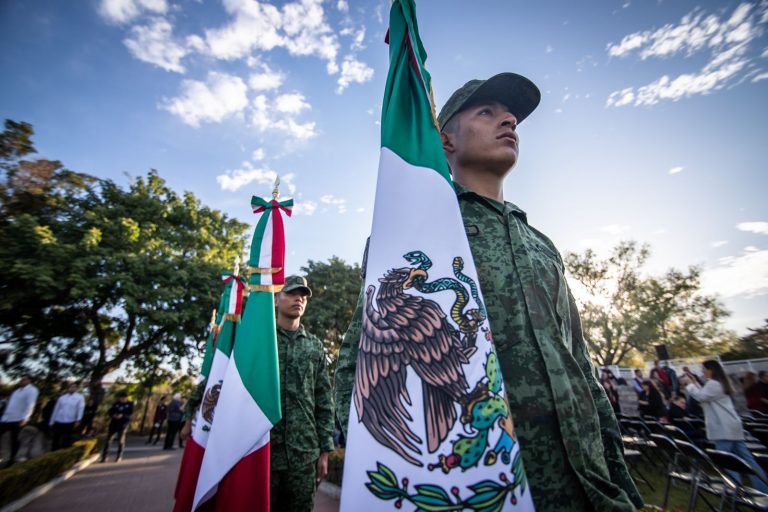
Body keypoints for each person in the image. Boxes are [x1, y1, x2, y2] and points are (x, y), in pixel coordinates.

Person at [335, 73, 643, 511]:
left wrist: (618, 480)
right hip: (483, 480)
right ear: (446, 142)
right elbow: (361, 351)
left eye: (511, 116)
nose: (509, 121)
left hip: (582, 483)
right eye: (486, 112)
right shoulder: (415, 230)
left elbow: (583, 368)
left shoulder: (541, 244)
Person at [271, 275, 334, 512]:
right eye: (292, 293)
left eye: (304, 296)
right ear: (277, 299)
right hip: (264, 451)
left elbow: (323, 400)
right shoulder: (263, 341)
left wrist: (325, 451)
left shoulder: (315, 346)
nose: (299, 299)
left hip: (304, 455)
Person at [681, 360, 768, 492]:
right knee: (747, 459)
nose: (702, 371)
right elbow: (706, 394)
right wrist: (694, 382)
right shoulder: (718, 383)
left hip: (723, 428)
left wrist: (689, 385)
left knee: (726, 461)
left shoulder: (714, 384)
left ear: (711, 370)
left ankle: (734, 489)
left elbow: (701, 397)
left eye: (704, 369)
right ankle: (763, 488)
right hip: (731, 426)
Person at [0, 374, 39, 467]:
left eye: (24, 379)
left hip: (18, 419)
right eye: (21, 379)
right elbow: (10, 404)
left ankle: (12, 460)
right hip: (7, 418)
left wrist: (26, 418)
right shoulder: (17, 391)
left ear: (29, 381)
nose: (22, 381)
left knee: (15, 439)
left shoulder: (32, 390)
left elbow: (31, 405)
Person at [49, 382, 85, 450]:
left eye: (74, 387)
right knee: (56, 438)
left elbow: (80, 409)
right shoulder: (62, 397)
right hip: (59, 419)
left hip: (70, 420)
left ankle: (64, 451)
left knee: (66, 438)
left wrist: (78, 419)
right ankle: (54, 451)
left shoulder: (79, 397)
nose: (72, 388)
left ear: (76, 388)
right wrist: (51, 421)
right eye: (71, 387)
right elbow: (56, 409)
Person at [100, 391, 134, 463]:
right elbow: (110, 412)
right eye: (121, 398)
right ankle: (104, 457)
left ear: (126, 398)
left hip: (123, 424)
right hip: (114, 423)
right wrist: (113, 415)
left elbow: (130, 414)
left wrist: (123, 415)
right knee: (108, 439)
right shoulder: (116, 404)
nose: (122, 399)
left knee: (120, 440)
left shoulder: (130, 404)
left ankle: (119, 456)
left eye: (123, 398)